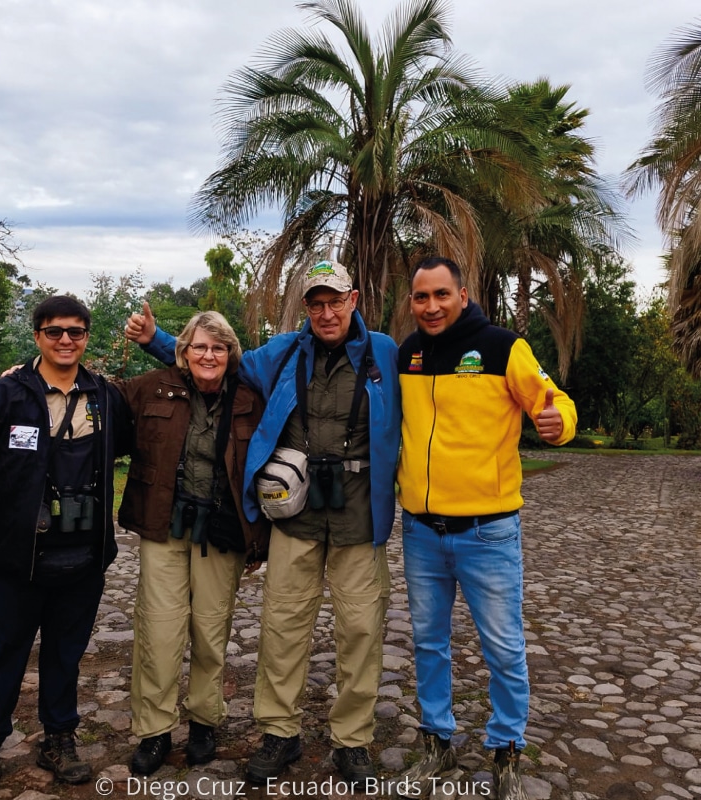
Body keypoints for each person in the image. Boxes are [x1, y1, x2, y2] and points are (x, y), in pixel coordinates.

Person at [125, 260, 401, 789]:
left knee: (362, 629)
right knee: (282, 627)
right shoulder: (283, 352)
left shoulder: (385, 353)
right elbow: (216, 364)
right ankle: (279, 731)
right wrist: (156, 339)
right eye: (316, 304)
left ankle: (352, 739)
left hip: (360, 512)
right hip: (295, 514)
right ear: (306, 308)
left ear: (353, 300)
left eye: (335, 301)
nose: (326, 313)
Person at [393, 257, 577, 800]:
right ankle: (437, 743)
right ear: (412, 302)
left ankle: (506, 752)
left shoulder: (502, 347)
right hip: (422, 530)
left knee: (503, 648)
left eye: (441, 294)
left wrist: (559, 424)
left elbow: (557, 402)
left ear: (463, 294)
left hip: (488, 532)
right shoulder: (409, 354)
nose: (431, 306)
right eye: (421, 297)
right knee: (428, 643)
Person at [0, 296, 132, 800]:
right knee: (0, 655)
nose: (65, 340)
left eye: (75, 331)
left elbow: (146, 430)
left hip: (83, 556)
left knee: (66, 656)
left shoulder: (106, 398)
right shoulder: (4, 395)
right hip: (15, 557)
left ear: (87, 336)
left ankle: (59, 739)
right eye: (54, 331)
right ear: (37, 336)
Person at [114, 311, 270, 775]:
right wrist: (30, 377)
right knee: (158, 631)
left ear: (230, 355)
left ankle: (204, 721)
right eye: (199, 346)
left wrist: (258, 539)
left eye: (218, 348)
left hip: (221, 532)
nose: (208, 355)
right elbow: (98, 396)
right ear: (183, 351)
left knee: (210, 631)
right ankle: (155, 729)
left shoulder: (250, 398)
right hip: (164, 527)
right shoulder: (152, 387)